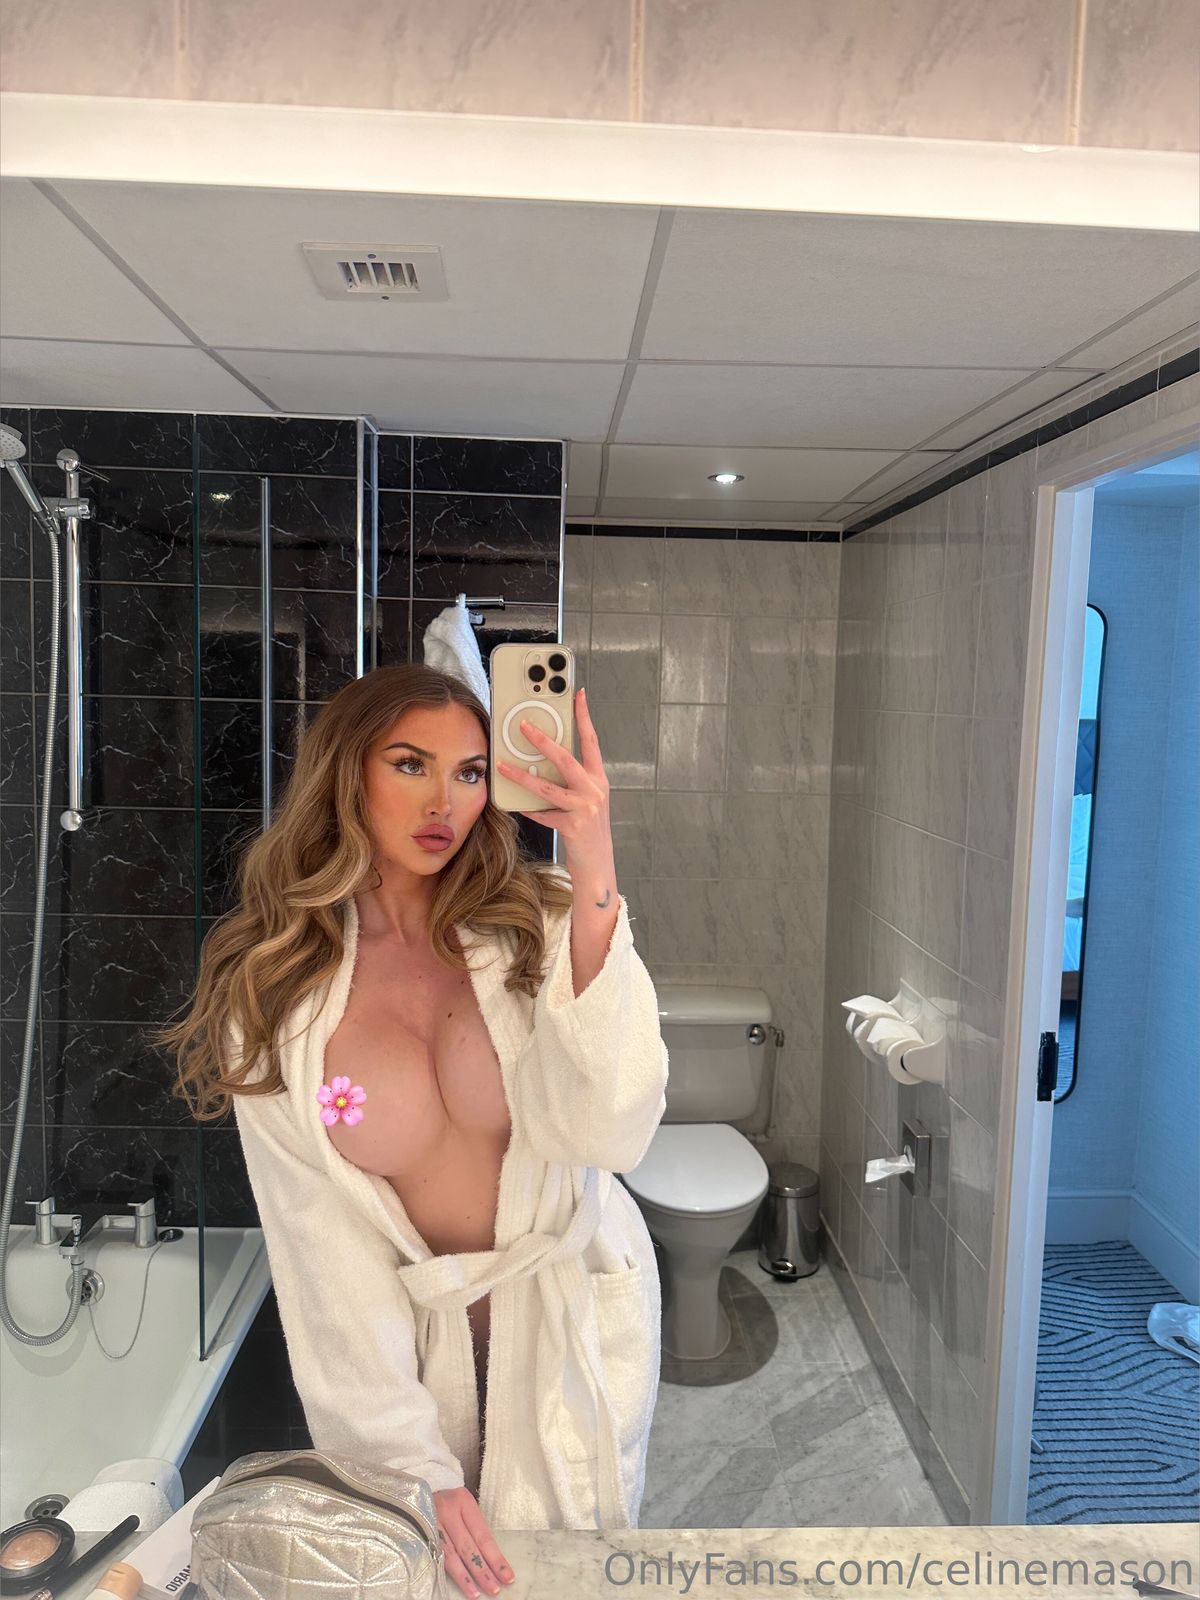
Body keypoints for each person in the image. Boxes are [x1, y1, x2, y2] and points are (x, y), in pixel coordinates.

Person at [153, 664, 669, 1600]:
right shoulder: (278, 993)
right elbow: (321, 1254)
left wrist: (597, 867)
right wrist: (410, 1462)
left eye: (470, 772)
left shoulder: (539, 925)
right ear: (347, 771)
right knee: (432, 1573)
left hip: (568, 1318)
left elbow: (613, 1130)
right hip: (417, 1355)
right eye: (410, 764)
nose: (445, 802)